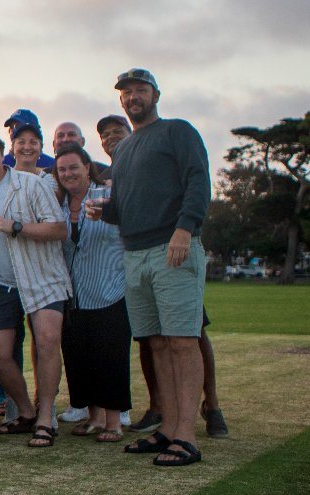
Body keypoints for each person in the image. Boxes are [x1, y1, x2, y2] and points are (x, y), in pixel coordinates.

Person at [89, 67, 212, 466]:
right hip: (135, 252)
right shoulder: (123, 150)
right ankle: (169, 428)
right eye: (126, 92)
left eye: (140, 90)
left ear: (155, 94)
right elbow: (124, 207)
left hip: (172, 246)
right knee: (156, 341)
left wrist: (185, 229)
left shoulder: (178, 131)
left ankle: (188, 437)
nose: (132, 97)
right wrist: (103, 212)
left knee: (181, 340)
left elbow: (198, 179)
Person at [0, 129, 71, 447]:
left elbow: (59, 229)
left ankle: (45, 418)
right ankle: (26, 411)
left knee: (47, 342)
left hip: (42, 276)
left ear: (3, 154)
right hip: (1, 282)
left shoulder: (31, 184)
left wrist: (15, 226)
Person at [53, 146, 131, 443]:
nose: (68, 174)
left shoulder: (106, 195)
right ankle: (94, 417)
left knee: (110, 358)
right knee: (80, 357)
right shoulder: (60, 204)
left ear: (88, 167)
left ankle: (114, 422)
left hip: (109, 287)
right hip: (75, 294)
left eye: (74, 167)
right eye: (62, 170)